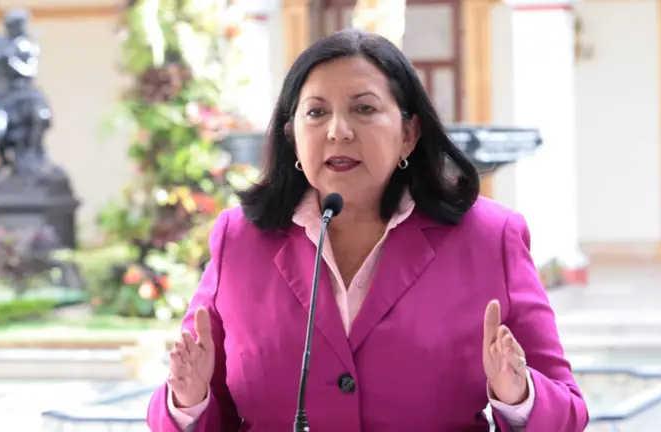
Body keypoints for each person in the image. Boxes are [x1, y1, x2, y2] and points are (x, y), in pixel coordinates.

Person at [146, 29, 588, 432]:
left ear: (409, 133)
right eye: (316, 112)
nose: (338, 131)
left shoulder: (489, 237)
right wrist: (187, 403)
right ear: (292, 134)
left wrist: (519, 396)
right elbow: (192, 410)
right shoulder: (240, 240)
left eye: (364, 108)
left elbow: (568, 412)